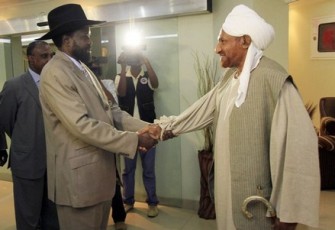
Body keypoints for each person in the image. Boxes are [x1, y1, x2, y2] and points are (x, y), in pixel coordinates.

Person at [140, 4, 320, 230]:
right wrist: (162, 130)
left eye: (223, 41)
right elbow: (200, 110)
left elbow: (298, 150)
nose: (217, 49)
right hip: (226, 198)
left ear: (245, 41)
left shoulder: (274, 81)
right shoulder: (229, 79)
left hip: (257, 205)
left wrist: (288, 215)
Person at [37, 4, 156, 229]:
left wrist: (150, 127)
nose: (91, 41)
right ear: (67, 40)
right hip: (79, 185)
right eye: (85, 37)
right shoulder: (54, 73)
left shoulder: (84, 69)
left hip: (98, 181)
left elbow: (111, 112)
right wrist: (135, 139)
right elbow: (82, 125)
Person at [0, 41, 59, 229]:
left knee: (52, 216)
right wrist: (25, 139)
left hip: (54, 163)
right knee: (28, 217)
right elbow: (5, 121)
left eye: (51, 55)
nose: (49, 60)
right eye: (43, 56)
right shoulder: (14, 86)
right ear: (30, 58)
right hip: (27, 163)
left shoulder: (57, 84)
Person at [115, 51, 159, 217]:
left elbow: (156, 84)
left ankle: (152, 203)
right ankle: (128, 201)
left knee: (149, 170)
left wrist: (146, 62)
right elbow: (121, 94)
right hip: (128, 133)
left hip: (148, 131)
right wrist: (124, 66)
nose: (135, 60)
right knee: (128, 170)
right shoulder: (120, 76)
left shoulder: (147, 75)